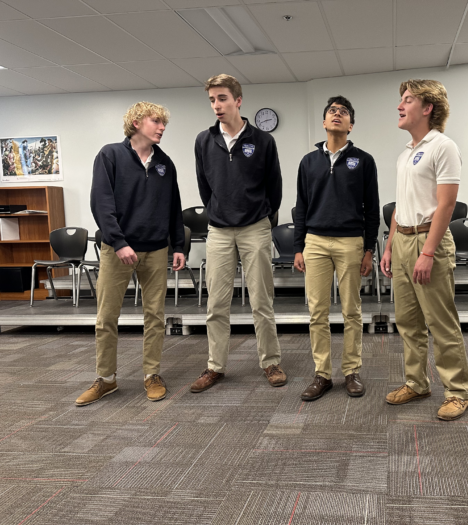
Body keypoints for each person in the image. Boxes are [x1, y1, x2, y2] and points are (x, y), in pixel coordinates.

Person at [77, 101, 185, 406]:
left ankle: (152, 374)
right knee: (107, 317)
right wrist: (119, 241)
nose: (162, 127)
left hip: (156, 250)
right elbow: (101, 202)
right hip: (117, 250)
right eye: (156, 121)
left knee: (155, 316)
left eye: (164, 123)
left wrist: (178, 245)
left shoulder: (165, 163)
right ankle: (106, 379)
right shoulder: (110, 155)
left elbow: (173, 207)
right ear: (136, 122)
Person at [380, 79, 468, 421]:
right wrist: (389, 248)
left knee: (441, 321)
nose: (400, 106)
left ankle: (457, 391)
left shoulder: (442, 146)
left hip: (427, 240)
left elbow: (446, 205)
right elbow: (399, 206)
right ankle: (416, 382)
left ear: (428, 107)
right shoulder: (407, 151)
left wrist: (428, 252)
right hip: (402, 238)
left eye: (407, 100)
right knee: (408, 321)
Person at [190, 74, 286, 393]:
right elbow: (205, 187)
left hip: (255, 227)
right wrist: (219, 210)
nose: (217, 106)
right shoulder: (204, 141)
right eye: (212, 100)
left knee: (261, 300)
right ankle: (215, 366)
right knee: (216, 303)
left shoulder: (263, 141)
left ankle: (270, 362)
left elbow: (275, 188)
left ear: (238, 101)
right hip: (218, 230)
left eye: (222, 99)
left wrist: (261, 216)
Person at [293, 96, 380, 401]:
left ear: (351, 125)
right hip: (315, 242)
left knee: (351, 311)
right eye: (332, 111)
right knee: (317, 311)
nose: (337, 115)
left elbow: (373, 209)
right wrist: (299, 246)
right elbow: (300, 207)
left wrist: (369, 249)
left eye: (343, 113)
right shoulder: (308, 161)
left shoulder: (364, 161)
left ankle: (352, 372)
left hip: (350, 242)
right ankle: (322, 374)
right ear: (324, 122)